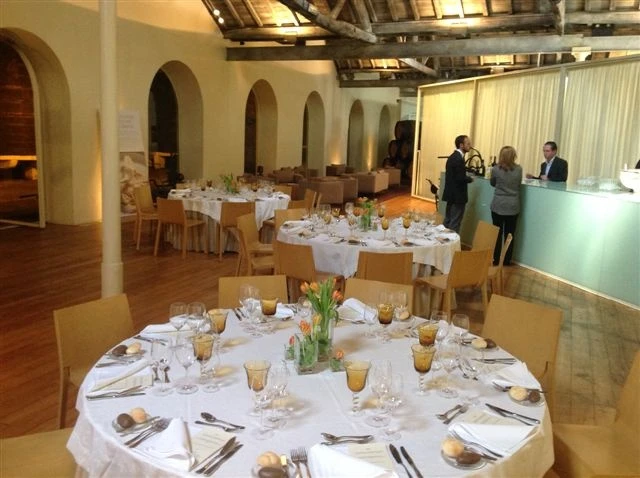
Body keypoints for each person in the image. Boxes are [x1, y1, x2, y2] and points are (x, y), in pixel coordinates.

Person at [490, 146, 522, 266]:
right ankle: (507, 260)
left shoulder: (495, 169)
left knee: (497, 233)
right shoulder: (519, 170)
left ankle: (496, 259)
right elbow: (518, 184)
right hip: (513, 205)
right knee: (510, 234)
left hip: (498, 204)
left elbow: (492, 183)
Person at [443, 135, 473, 233]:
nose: (470, 145)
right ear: (461, 145)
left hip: (451, 195)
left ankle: (443, 241)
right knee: (455, 222)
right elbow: (460, 178)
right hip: (458, 197)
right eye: (468, 143)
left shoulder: (453, 156)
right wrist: (470, 179)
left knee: (448, 220)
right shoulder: (459, 159)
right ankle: (452, 242)